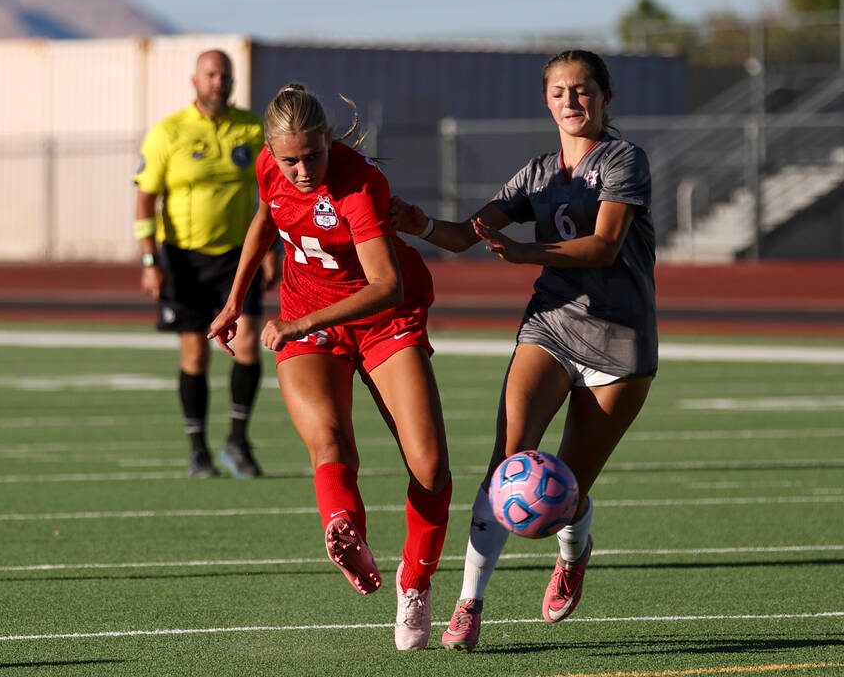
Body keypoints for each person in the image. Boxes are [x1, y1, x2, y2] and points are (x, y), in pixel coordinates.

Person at [391, 49, 656, 651]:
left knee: (562, 495)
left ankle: (574, 548)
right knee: (507, 468)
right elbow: (467, 235)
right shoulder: (536, 174)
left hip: (621, 342)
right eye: (559, 91)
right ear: (546, 102)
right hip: (550, 326)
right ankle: (468, 606)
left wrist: (523, 252)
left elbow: (605, 246)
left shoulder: (624, 159)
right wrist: (417, 222)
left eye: (583, 89)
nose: (571, 100)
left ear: (605, 97)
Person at [208, 83, 453, 651]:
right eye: (289, 158)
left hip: (384, 317)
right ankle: (345, 529)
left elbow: (386, 284)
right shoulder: (270, 165)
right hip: (307, 313)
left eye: (312, 155)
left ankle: (414, 580)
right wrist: (234, 300)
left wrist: (293, 325)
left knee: (432, 465)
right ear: (272, 149)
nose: (300, 170)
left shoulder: (360, 185)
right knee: (328, 438)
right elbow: (267, 220)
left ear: (329, 139)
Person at [134, 49, 279, 479]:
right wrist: (148, 260)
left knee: (249, 342)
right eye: (211, 74)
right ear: (194, 80)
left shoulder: (253, 129)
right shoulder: (168, 132)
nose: (219, 82)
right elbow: (146, 196)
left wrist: (271, 248)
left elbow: (274, 192)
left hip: (239, 256)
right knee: (196, 351)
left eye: (226, 75)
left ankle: (237, 439)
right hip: (183, 258)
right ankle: (198, 449)